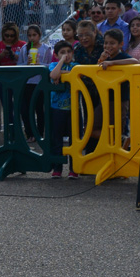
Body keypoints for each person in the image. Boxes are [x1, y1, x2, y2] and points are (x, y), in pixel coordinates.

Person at [48, 42, 78, 178]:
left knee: (75, 139)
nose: (66, 55)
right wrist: (60, 63)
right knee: (57, 138)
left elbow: (77, 74)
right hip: (57, 108)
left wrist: (63, 74)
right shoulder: (54, 65)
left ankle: (74, 168)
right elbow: (53, 75)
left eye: (69, 51)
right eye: (62, 52)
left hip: (74, 109)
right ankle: (58, 167)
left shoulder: (75, 66)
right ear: (56, 55)